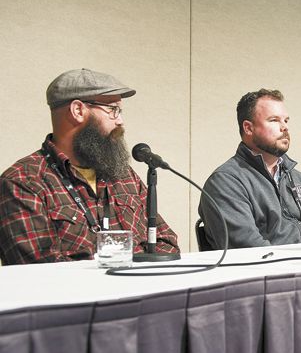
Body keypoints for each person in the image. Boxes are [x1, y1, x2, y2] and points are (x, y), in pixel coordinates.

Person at [0, 68, 180, 264]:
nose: (120, 121)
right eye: (113, 110)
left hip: (141, 291)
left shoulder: (123, 173)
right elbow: (40, 271)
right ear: (78, 111)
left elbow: (166, 242)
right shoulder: (23, 182)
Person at [198, 89, 301, 248]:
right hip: (269, 270)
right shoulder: (225, 182)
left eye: (286, 121)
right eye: (274, 120)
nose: (284, 128)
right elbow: (247, 248)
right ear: (248, 128)